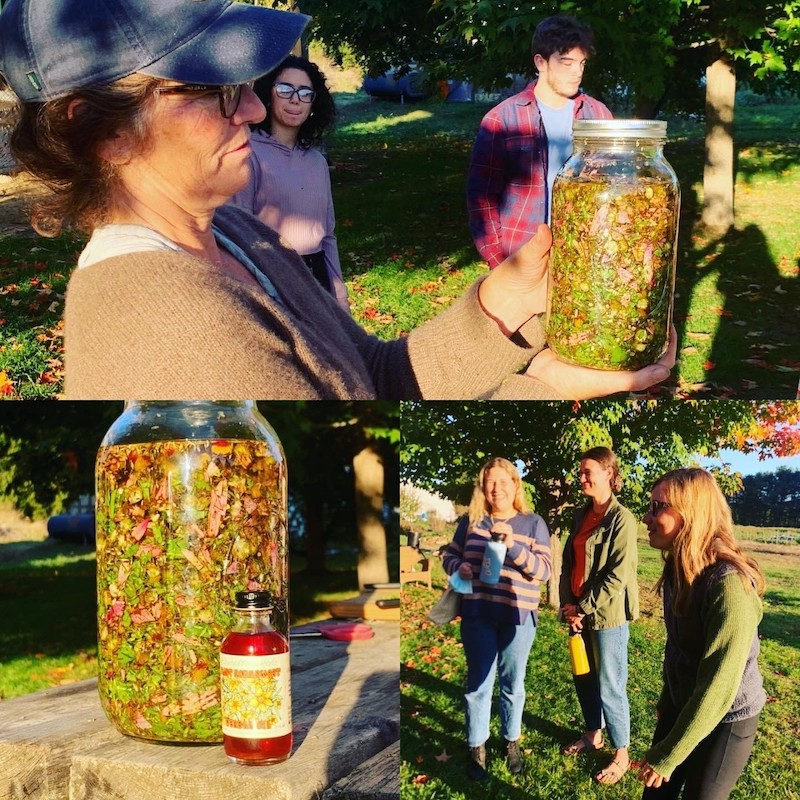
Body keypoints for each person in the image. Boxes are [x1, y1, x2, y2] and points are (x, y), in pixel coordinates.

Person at [0, 0, 675, 400]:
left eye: (248, 83)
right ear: (103, 132)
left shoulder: (234, 233)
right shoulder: (169, 327)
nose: (257, 107)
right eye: (213, 91)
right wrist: (545, 385)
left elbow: (371, 376)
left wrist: (513, 299)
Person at [637, 468, 766, 799]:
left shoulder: (728, 584)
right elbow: (677, 647)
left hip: (728, 717)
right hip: (686, 704)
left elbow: (719, 687)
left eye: (657, 507)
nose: (646, 517)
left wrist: (668, 756)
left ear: (691, 513)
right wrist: (668, 703)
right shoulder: (677, 569)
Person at [467, 14, 612, 268]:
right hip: (520, 256)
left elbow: (613, 186)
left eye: (582, 63)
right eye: (566, 62)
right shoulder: (503, 119)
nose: (577, 72)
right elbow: (481, 197)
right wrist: (497, 260)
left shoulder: (599, 115)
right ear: (541, 62)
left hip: (583, 255)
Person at [442, 457, 551, 780]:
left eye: (503, 482)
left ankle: (511, 739)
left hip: (518, 616)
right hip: (478, 614)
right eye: (490, 482)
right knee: (478, 683)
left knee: (512, 683)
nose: (496, 488)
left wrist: (514, 545)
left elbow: (543, 571)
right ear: (482, 486)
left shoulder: (533, 523)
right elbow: (448, 554)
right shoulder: (472, 522)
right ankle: (477, 745)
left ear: (515, 485)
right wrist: (456, 567)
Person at [230, 55, 350, 313]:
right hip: (272, 278)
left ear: (313, 103)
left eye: (305, 92)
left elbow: (327, 235)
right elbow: (238, 235)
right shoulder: (249, 155)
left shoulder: (317, 162)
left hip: (317, 279)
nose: (295, 99)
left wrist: (340, 300)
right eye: (285, 89)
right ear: (268, 95)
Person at [559, 446, 638, 784]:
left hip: (607, 616)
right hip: (578, 612)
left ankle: (621, 752)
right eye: (580, 472)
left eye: (587, 472)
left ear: (609, 473)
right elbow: (568, 563)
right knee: (584, 677)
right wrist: (568, 606)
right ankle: (594, 734)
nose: (581, 478)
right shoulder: (581, 515)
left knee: (610, 683)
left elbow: (617, 575)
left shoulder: (622, 519)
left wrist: (584, 607)